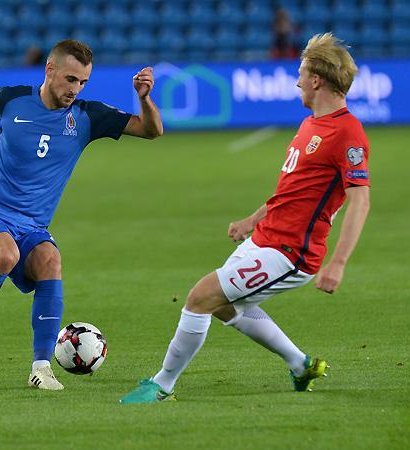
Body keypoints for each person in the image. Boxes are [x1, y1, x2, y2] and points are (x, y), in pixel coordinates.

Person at [120, 33, 371, 404]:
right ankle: (300, 365)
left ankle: (162, 386)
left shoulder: (347, 132)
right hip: (267, 237)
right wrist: (253, 219)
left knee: (200, 297)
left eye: (301, 74)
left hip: (292, 252)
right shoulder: (311, 125)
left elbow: (360, 200)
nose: (297, 82)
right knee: (222, 305)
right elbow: (295, 191)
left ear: (317, 80)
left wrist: (339, 262)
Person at [0, 39, 162, 390]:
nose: (75, 89)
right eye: (70, 79)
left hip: (33, 224)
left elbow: (152, 130)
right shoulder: (11, 99)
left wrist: (144, 98)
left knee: (50, 260)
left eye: (83, 82)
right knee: (4, 256)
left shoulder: (87, 117)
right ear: (50, 70)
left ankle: (41, 367)